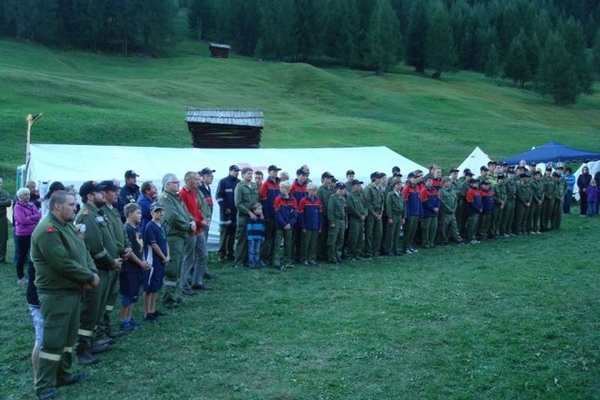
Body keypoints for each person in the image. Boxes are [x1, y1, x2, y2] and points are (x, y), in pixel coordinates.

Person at [31, 190, 99, 400]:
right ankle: (44, 387)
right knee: (53, 342)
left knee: (68, 339)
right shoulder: (47, 230)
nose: (75, 207)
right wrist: (88, 276)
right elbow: (62, 263)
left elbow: (82, 251)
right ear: (57, 206)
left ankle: (63, 375)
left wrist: (90, 274)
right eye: (71, 204)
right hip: (56, 294)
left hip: (71, 290)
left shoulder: (67, 225)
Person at [75, 181, 121, 365]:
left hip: (105, 268)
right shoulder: (87, 215)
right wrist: (111, 262)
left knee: (97, 309)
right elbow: (95, 247)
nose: (104, 195)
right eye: (100, 192)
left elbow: (107, 240)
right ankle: (83, 348)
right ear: (90, 196)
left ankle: (92, 341)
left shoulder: (97, 213)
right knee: (89, 311)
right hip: (97, 269)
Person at [160, 173, 195, 308]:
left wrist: (191, 220)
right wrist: (188, 225)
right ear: (167, 184)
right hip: (173, 236)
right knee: (172, 268)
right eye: (175, 182)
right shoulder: (165, 198)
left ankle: (172, 296)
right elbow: (173, 217)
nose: (178, 184)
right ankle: (168, 298)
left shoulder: (176, 197)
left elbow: (185, 212)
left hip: (180, 235)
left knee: (178, 266)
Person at [119, 203, 150, 331]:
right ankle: (123, 320)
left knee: (134, 295)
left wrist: (143, 261)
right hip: (129, 269)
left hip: (137, 267)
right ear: (130, 214)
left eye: (141, 213)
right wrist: (140, 263)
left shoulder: (137, 228)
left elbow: (140, 248)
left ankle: (129, 317)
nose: (140, 216)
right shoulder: (127, 229)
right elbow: (129, 251)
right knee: (127, 295)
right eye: (138, 213)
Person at [178, 172, 210, 294]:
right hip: (190, 230)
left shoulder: (195, 192)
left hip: (198, 229)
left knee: (203, 255)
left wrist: (203, 218)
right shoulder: (182, 194)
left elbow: (197, 209)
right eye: (196, 180)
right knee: (189, 258)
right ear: (188, 180)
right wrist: (199, 222)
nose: (199, 181)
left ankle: (197, 282)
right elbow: (186, 214)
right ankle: (184, 285)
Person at [143, 202, 169, 322]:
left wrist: (167, 255)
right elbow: (153, 245)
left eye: (162, 210)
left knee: (156, 286)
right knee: (150, 287)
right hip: (153, 260)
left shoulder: (162, 225)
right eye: (157, 211)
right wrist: (163, 256)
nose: (161, 213)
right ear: (152, 213)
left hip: (161, 259)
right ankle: (147, 312)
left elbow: (165, 241)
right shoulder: (150, 226)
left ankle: (152, 310)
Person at [14, 188, 42, 284]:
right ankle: (20, 277)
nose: (28, 196)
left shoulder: (31, 204)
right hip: (22, 235)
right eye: (25, 194)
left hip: (33, 233)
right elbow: (23, 220)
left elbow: (39, 215)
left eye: (28, 194)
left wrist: (30, 218)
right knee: (22, 255)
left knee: (34, 254)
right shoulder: (17, 207)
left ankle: (35, 274)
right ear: (20, 196)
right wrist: (33, 219)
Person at [233, 167, 259, 269]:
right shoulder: (239, 186)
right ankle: (238, 262)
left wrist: (258, 211)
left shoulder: (253, 185)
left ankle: (249, 260)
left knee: (251, 239)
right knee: (241, 239)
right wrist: (249, 212)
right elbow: (238, 203)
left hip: (254, 217)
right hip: (244, 217)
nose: (250, 175)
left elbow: (257, 200)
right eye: (248, 173)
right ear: (243, 175)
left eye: (251, 173)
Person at [216, 165, 240, 262]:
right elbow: (218, 196)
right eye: (235, 171)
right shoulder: (223, 181)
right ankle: (221, 255)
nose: (237, 172)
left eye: (238, 171)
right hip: (225, 214)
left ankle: (230, 253)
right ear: (230, 171)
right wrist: (225, 208)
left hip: (235, 214)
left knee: (232, 235)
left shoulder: (239, 182)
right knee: (224, 234)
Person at [259, 165, 281, 266]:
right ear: (269, 172)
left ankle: (272, 257)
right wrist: (266, 216)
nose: (276, 172)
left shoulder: (279, 183)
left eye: (277, 171)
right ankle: (263, 257)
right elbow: (264, 201)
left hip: (278, 215)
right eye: (274, 171)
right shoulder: (266, 184)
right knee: (267, 238)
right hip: (270, 215)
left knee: (275, 237)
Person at [273, 181, 297, 269]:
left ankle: (287, 261)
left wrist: (290, 224)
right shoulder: (278, 199)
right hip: (280, 226)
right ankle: (276, 261)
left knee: (288, 244)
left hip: (290, 226)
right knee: (278, 244)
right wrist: (284, 224)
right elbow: (277, 213)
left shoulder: (293, 200)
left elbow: (295, 213)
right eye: (280, 187)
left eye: (282, 187)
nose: (280, 189)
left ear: (287, 189)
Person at [298, 183, 322, 267]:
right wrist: (303, 226)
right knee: (305, 243)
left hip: (315, 226)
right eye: (313, 190)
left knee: (313, 243)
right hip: (307, 227)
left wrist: (320, 226)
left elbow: (320, 215)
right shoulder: (303, 200)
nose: (315, 192)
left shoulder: (318, 201)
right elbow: (300, 215)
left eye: (316, 190)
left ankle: (312, 259)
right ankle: (304, 259)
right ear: (308, 190)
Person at [363, 172, 384, 258]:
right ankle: (368, 252)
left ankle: (376, 251)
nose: (380, 180)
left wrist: (381, 213)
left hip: (379, 213)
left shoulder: (380, 188)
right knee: (369, 233)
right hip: (371, 214)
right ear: (374, 179)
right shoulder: (369, 188)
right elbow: (367, 202)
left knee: (379, 233)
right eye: (378, 178)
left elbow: (383, 201)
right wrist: (374, 213)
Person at [345, 179, 367, 261]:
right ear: (353, 186)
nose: (360, 187)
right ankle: (350, 253)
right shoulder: (350, 195)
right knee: (353, 236)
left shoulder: (361, 195)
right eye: (358, 185)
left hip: (361, 218)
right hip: (354, 218)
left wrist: (364, 214)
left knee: (360, 236)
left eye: (360, 185)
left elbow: (365, 206)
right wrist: (359, 215)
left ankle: (357, 253)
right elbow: (351, 208)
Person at [438, 177, 463, 245]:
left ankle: (459, 240)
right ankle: (443, 241)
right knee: (444, 227)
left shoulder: (452, 191)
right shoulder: (441, 191)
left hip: (452, 212)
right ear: (443, 183)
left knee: (454, 226)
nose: (448, 183)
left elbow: (455, 199)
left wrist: (454, 208)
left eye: (449, 182)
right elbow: (442, 202)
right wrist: (449, 209)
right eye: (446, 182)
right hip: (445, 212)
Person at [327, 182, 347, 264]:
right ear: (337, 189)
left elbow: (345, 211)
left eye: (343, 189)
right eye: (340, 189)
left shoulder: (343, 198)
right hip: (335, 220)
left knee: (340, 239)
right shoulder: (333, 198)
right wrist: (331, 221)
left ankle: (338, 255)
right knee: (333, 239)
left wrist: (346, 222)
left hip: (342, 221)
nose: (342, 191)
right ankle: (332, 257)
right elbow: (330, 210)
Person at [383, 179, 405, 256]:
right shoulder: (390, 194)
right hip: (393, 215)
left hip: (399, 215)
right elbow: (388, 206)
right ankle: (389, 249)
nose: (400, 186)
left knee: (397, 233)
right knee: (391, 233)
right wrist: (389, 217)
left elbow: (403, 206)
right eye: (398, 184)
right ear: (394, 185)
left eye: (400, 184)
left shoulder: (401, 194)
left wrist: (403, 217)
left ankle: (395, 248)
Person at [402, 172, 422, 254]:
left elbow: (419, 200)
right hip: (410, 213)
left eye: (416, 177)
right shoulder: (406, 188)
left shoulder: (417, 187)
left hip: (416, 212)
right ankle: (406, 247)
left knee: (413, 231)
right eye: (414, 178)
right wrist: (406, 214)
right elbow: (404, 202)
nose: (416, 179)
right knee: (408, 231)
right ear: (409, 178)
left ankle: (410, 245)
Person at [420, 177, 440, 248]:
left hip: (434, 212)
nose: (431, 182)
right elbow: (425, 202)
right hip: (427, 212)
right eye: (429, 181)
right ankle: (425, 243)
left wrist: (437, 206)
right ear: (425, 182)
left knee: (433, 227)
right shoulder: (423, 190)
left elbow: (438, 199)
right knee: (426, 228)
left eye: (431, 181)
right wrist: (433, 208)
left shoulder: (434, 190)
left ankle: (431, 242)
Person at [246, 203, 265, 269]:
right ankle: (251, 262)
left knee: (257, 250)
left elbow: (262, 228)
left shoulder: (261, 219)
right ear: (254, 210)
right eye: (259, 209)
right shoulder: (251, 219)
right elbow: (249, 228)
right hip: (252, 238)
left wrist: (262, 237)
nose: (260, 211)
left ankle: (256, 261)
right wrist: (250, 237)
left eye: (261, 209)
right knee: (251, 250)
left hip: (259, 238)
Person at [0, 177, 11, 263]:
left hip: (2, 218)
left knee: (3, 237)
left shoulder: (5, 193)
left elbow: (9, 203)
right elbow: (6, 202)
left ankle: (2, 257)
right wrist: (3, 202)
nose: (0, 184)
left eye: (1, 183)